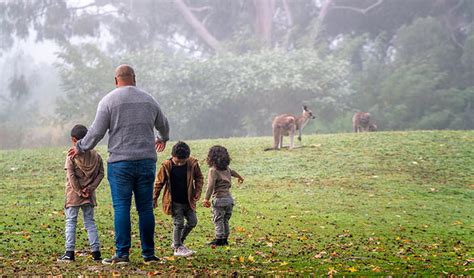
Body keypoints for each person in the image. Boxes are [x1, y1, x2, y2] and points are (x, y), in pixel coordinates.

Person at [68, 64, 169, 264]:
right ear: (134, 78)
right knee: (145, 208)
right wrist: (163, 137)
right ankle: (149, 254)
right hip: (146, 161)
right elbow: (163, 124)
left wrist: (81, 146)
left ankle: (122, 254)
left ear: (116, 80)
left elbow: (97, 131)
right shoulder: (149, 99)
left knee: (122, 207)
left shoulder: (108, 101)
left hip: (121, 163)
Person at [58, 124, 104, 263]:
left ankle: (69, 253)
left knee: (71, 221)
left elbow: (71, 177)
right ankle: (96, 253)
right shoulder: (96, 156)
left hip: (73, 195)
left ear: (73, 139)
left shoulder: (71, 155)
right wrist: (90, 189)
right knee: (90, 222)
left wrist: (79, 191)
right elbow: (101, 174)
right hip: (89, 196)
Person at [153, 141, 204, 257]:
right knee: (179, 223)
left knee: (192, 222)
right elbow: (158, 183)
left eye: (183, 161)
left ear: (188, 157)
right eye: (177, 161)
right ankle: (177, 248)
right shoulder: (166, 166)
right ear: (172, 156)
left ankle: (178, 242)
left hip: (188, 200)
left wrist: (197, 191)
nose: (180, 164)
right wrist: (154, 198)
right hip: (174, 201)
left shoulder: (192, 164)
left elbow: (199, 177)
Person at [202, 145, 244, 246]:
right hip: (229, 199)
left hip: (219, 199)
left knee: (218, 219)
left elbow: (211, 186)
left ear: (211, 158)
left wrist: (206, 199)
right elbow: (233, 172)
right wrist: (240, 177)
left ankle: (219, 239)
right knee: (225, 219)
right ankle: (225, 239)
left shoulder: (213, 170)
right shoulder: (227, 169)